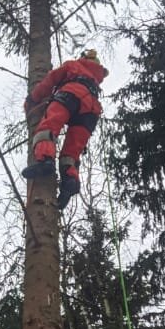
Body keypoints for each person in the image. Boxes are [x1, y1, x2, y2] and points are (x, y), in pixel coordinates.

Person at [22, 49, 108, 209]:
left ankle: (45, 160)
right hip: (92, 109)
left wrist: (32, 98)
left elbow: (51, 79)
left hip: (71, 94)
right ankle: (70, 180)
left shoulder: (73, 65)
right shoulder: (96, 79)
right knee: (72, 150)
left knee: (48, 127)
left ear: (83, 58)